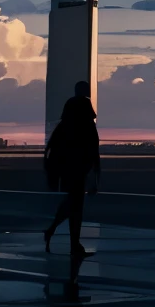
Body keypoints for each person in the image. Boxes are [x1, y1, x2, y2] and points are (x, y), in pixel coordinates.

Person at [43, 80, 100, 262]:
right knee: (76, 206)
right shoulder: (86, 117)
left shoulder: (66, 120)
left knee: (72, 202)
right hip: (79, 167)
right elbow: (93, 147)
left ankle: (57, 232)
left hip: (66, 167)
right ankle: (71, 242)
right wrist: (95, 173)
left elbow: (53, 145)